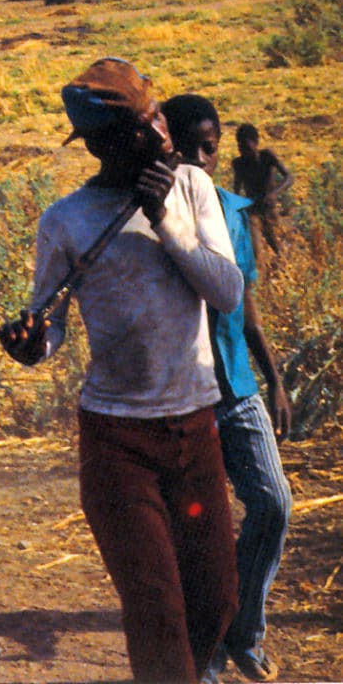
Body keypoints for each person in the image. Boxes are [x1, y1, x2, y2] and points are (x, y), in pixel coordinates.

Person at [0, 57, 244, 684]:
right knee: (156, 606)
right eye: (141, 128)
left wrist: (165, 219)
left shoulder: (190, 190)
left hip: (195, 428)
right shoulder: (66, 220)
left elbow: (226, 292)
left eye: (157, 117)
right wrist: (31, 344)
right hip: (117, 442)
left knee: (216, 599)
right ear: (102, 145)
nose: (161, 137)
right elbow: (47, 322)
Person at [163, 94, 293, 684]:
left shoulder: (234, 214)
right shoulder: (153, 213)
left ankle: (244, 629)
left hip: (237, 387)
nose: (198, 158)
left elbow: (248, 309)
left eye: (207, 147)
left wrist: (276, 378)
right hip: (183, 396)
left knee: (274, 502)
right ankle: (212, 649)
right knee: (197, 530)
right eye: (186, 146)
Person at [231, 124, 293, 258]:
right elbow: (236, 189)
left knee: (278, 248)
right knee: (256, 251)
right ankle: (260, 276)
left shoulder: (267, 157)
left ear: (256, 143)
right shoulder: (238, 164)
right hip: (253, 210)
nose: (244, 152)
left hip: (269, 209)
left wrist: (274, 193)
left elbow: (289, 177)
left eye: (246, 147)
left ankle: (281, 274)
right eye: (240, 147)